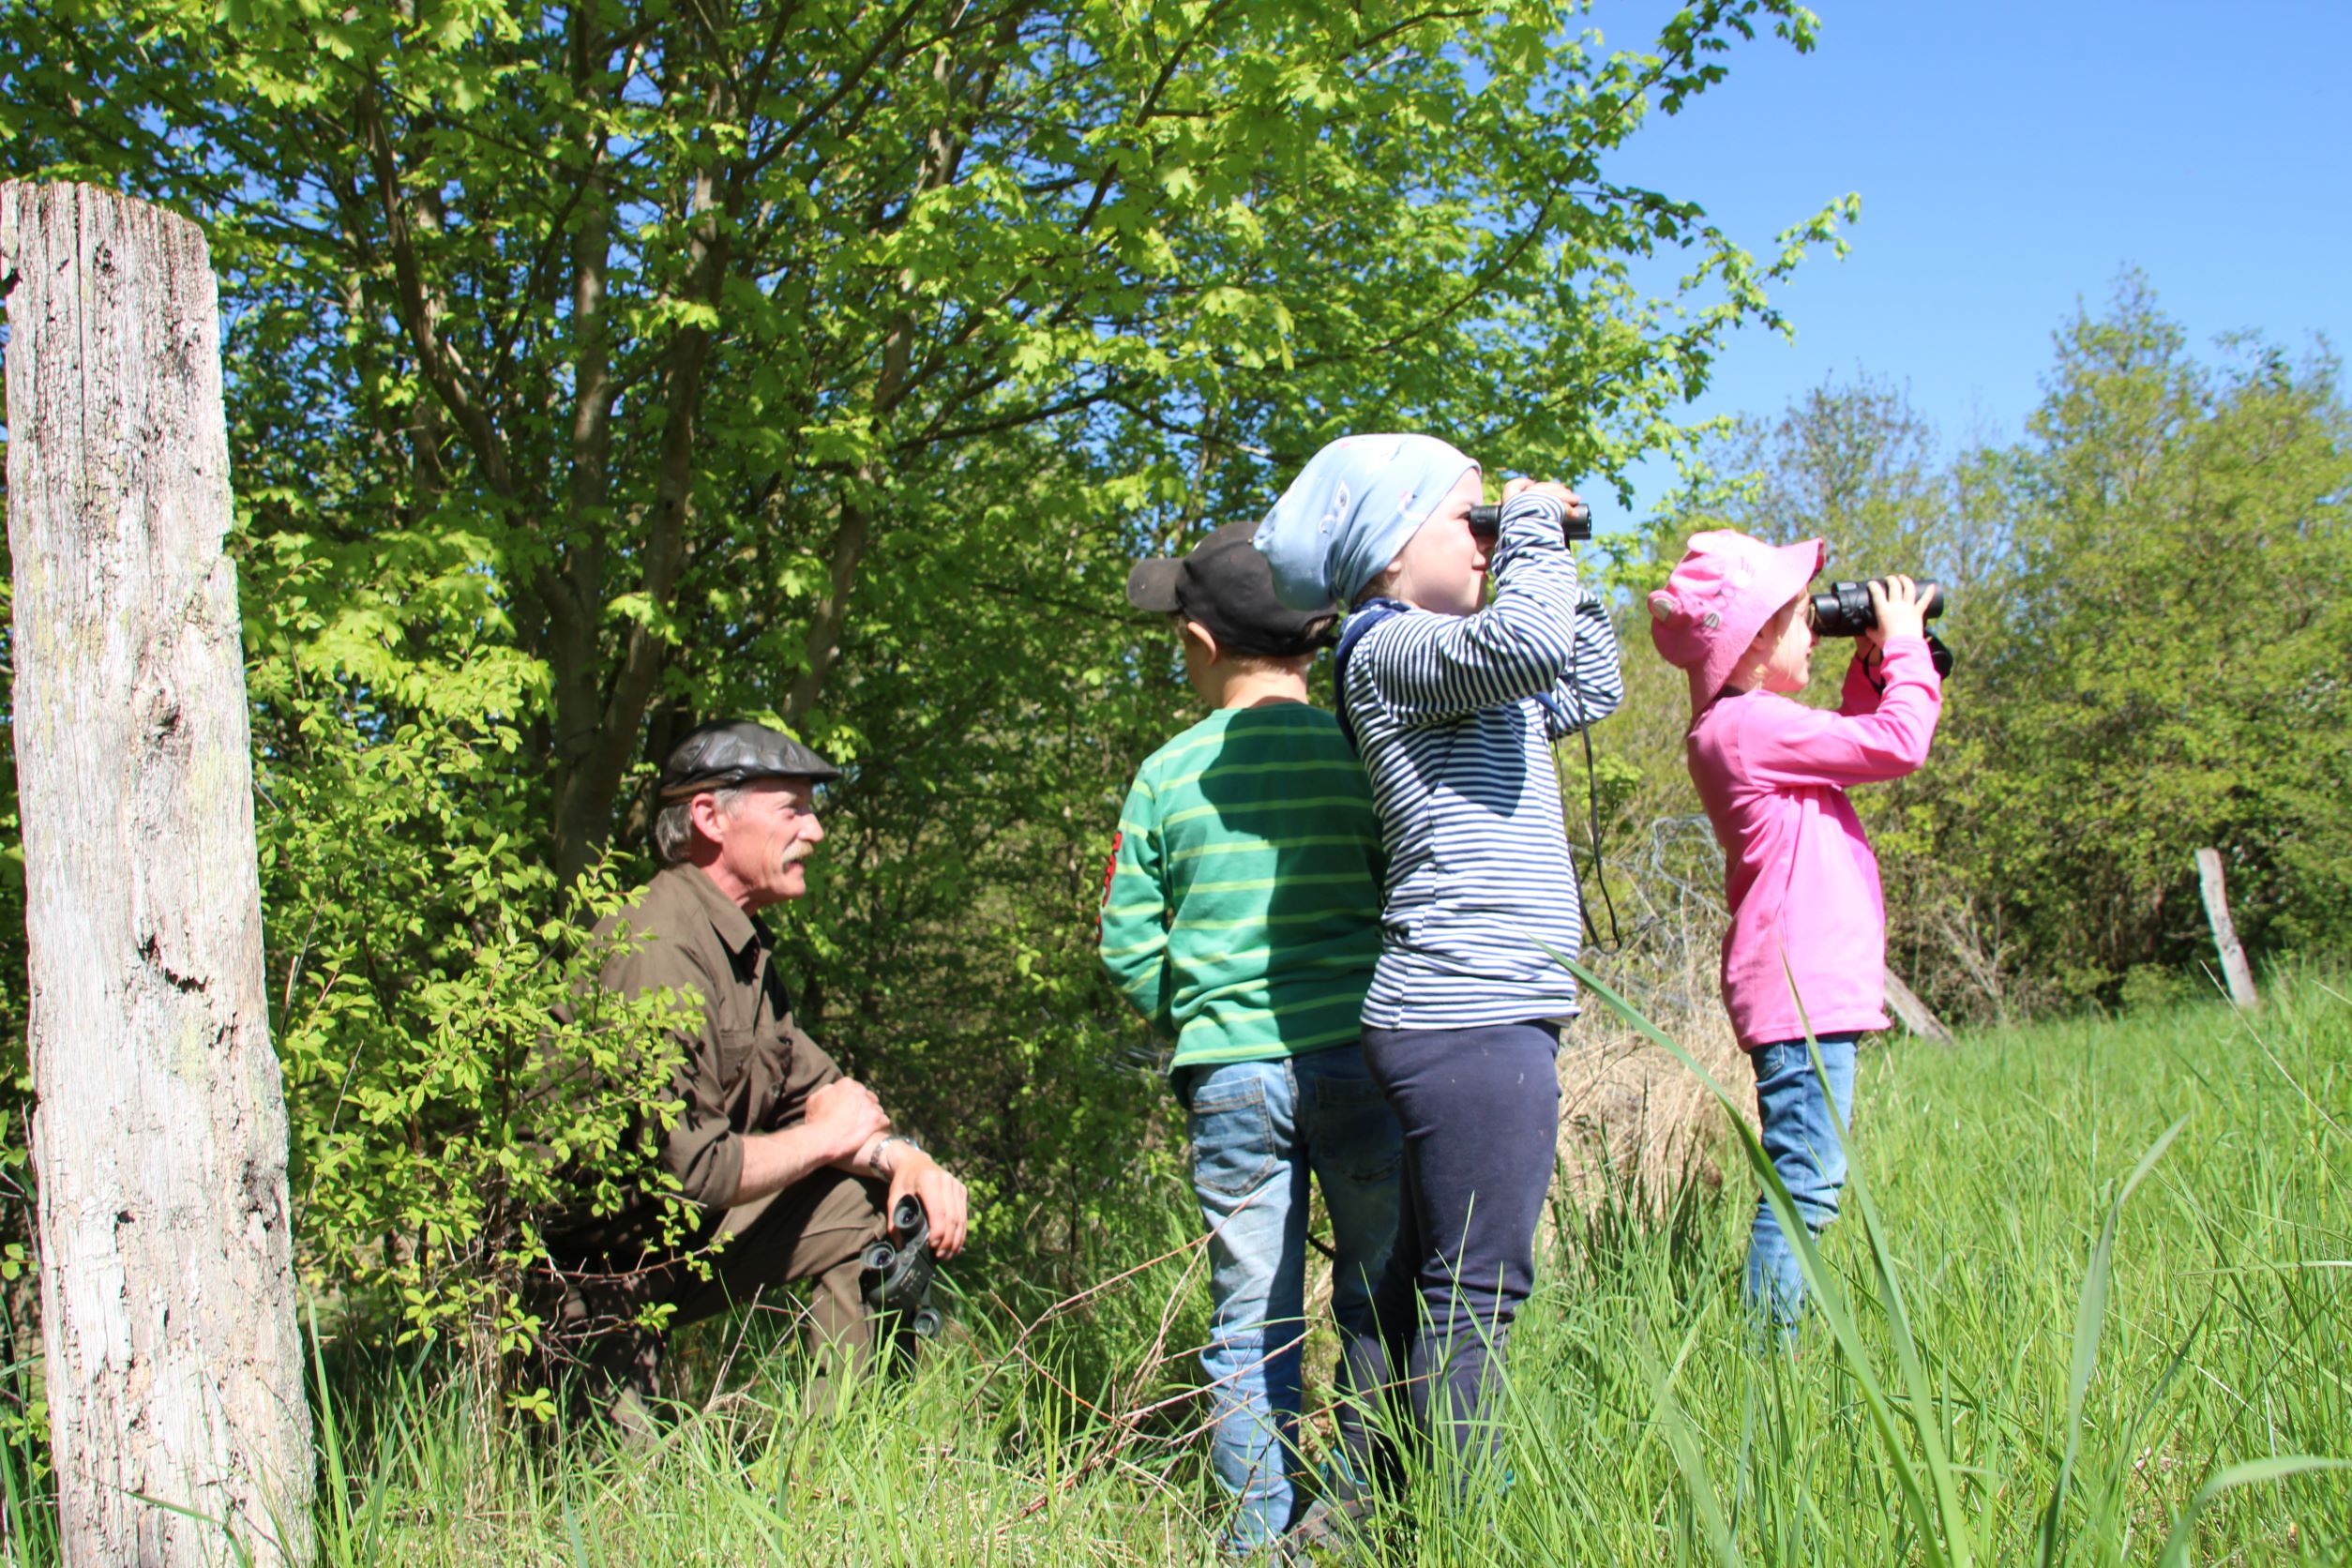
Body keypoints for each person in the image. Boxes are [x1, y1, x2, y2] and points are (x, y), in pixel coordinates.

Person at [1251, 435, 1624, 1483]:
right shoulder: (1385, 647)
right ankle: (1462, 1519)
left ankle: (1368, 1507)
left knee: (1420, 1278)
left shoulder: (1459, 663)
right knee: (1480, 1288)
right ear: (1382, 550)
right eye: (1471, 520)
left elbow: (1586, 682)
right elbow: (1531, 649)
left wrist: (1553, 555)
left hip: (1466, 1009)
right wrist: (1540, 536)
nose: (1488, 539)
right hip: (1469, 1008)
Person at [1096, 520, 1400, 1558]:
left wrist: (1197, 1020)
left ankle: (1256, 1540)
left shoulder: (1166, 775)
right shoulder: (1363, 749)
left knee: (1248, 1322)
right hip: (1365, 1056)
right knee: (1378, 1295)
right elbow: (1407, 889)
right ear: (1313, 642)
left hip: (1230, 1075)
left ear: (1200, 640)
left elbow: (1128, 945)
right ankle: (1354, 1528)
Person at [536, 719, 970, 1429]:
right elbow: (692, 1171)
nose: (816, 832)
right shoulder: (659, 947)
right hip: (591, 1282)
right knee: (621, 1510)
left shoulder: (739, 947)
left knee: (872, 1208)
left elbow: (832, 1098)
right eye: (793, 809)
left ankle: (840, 1472)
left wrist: (907, 1161)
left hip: (675, 1250)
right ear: (709, 817)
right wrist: (824, 1140)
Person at [1644, 534, 1942, 1332]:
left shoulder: (1743, 727)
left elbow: (1848, 746)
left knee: (1808, 1174)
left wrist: (1873, 669)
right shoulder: (1747, 727)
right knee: (1806, 1181)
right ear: (1754, 638)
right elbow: (1895, 743)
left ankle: (1772, 1347)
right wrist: (1906, 650)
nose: (1816, 631)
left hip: (1802, 987)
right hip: (1799, 989)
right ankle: (1768, 1362)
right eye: (1805, 619)